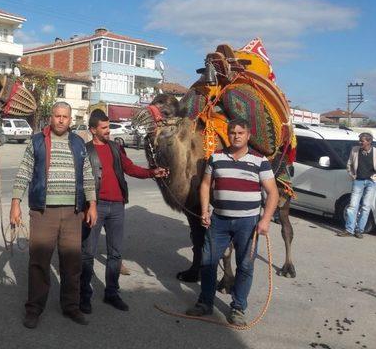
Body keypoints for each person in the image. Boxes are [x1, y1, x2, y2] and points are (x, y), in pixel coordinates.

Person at [10, 102, 97, 329]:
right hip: (43, 212)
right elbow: (24, 171)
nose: (60, 120)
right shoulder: (37, 141)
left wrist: (92, 204)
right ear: (51, 117)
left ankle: (71, 307)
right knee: (39, 262)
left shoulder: (78, 143)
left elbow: (88, 175)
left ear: (70, 120)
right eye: (57, 116)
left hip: (72, 213)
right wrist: (15, 203)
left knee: (72, 263)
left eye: (65, 117)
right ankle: (34, 309)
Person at [186, 118, 279, 327]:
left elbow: (272, 192)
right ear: (228, 134)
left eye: (240, 133)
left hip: (248, 223)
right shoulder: (216, 158)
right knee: (208, 262)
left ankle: (238, 308)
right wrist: (204, 210)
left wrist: (265, 220)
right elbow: (205, 184)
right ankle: (205, 303)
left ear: (248, 135)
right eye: (232, 133)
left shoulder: (259, 160)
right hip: (219, 220)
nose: (236, 136)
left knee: (245, 266)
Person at [80, 109, 168, 313]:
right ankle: (83, 295)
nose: (108, 131)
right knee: (87, 253)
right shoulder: (84, 150)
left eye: (108, 127)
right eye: (103, 128)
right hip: (95, 206)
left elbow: (130, 168)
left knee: (115, 253)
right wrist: (85, 206)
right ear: (93, 130)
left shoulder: (115, 148)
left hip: (117, 207)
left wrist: (152, 172)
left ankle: (112, 293)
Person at [336, 132, 376, 239]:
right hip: (358, 181)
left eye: (362, 141)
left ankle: (359, 230)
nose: (360, 142)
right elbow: (349, 164)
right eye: (359, 140)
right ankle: (349, 229)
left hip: (371, 182)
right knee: (352, 206)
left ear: (369, 142)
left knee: (366, 207)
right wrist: (352, 175)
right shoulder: (355, 150)